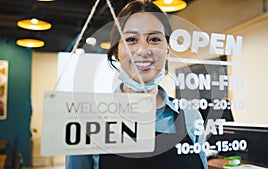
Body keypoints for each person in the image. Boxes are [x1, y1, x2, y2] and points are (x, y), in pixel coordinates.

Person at [66, 1, 208, 169]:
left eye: (154, 39)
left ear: (168, 48)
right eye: (131, 40)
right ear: (116, 51)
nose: (143, 50)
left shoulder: (191, 117)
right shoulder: (87, 121)